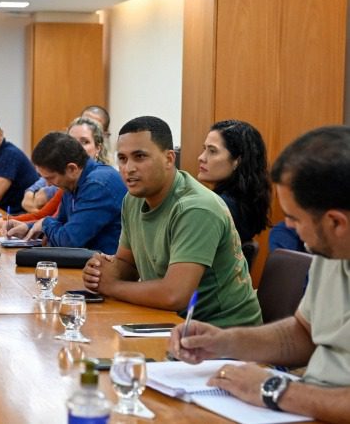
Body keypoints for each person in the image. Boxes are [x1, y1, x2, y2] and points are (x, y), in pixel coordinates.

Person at [169, 126, 350, 422]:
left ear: (336, 223)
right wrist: (223, 342)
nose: (288, 228)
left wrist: (273, 390)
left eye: (293, 218)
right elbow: (303, 333)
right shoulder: (330, 250)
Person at [82, 116, 261, 327]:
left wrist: (110, 286)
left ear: (169, 159)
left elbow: (174, 295)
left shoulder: (196, 208)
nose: (128, 168)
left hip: (222, 334)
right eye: (122, 158)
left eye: (139, 157)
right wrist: (100, 272)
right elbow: (127, 264)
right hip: (170, 322)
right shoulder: (132, 200)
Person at [0, 117, 111, 232]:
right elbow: (46, 216)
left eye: (84, 142)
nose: (76, 147)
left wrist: (5, 223)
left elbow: (69, 234)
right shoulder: (68, 180)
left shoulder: (95, 182)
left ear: (98, 148)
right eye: (71, 141)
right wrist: (7, 222)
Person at [5, 131, 126, 253]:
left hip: (104, 266)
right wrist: (28, 227)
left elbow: (70, 241)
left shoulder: (97, 185)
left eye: (50, 178)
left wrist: (45, 224)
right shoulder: (72, 182)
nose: (47, 184)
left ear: (72, 169)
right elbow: (60, 223)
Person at [197, 120, 270, 243]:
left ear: (237, 161)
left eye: (212, 151)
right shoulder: (245, 203)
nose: (201, 158)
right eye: (204, 149)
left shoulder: (219, 207)